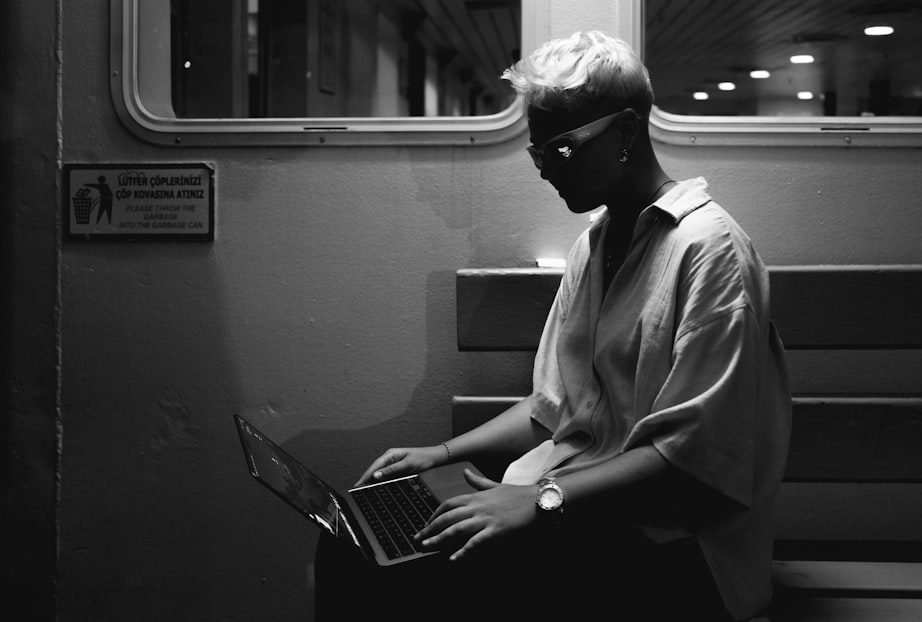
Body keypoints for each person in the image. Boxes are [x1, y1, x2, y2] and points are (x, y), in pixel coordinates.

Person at [317, 30, 792, 621]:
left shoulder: (710, 250)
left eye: (561, 150)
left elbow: (692, 461)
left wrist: (539, 502)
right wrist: (439, 453)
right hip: (574, 505)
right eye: (537, 153)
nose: (544, 170)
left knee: (421, 574)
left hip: (676, 547)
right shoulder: (595, 245)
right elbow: (553, 410)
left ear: (624, 130)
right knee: (354, 535)